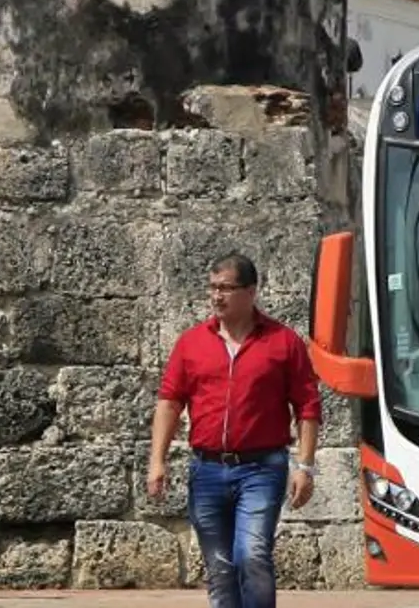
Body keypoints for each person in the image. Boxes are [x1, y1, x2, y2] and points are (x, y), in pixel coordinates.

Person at [149, 253, 322, 608]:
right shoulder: (191, 343)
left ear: (251, 291)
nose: (217, 296)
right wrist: (157, 461)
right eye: (212, 287)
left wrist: (305, 467)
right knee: (220, 567)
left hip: (262, 468)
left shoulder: (283, 342)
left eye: (226, 288)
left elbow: (307, 406)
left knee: (252, 555)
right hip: (207, 469)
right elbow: (169, 402)